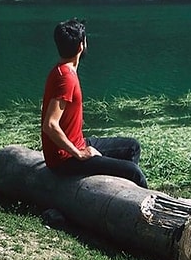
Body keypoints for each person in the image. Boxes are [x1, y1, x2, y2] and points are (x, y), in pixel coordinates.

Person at [41, 18, 148, 188]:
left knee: (132, 147)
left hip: (78, 143)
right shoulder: (65, 78)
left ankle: (119, 192)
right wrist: (79, 154)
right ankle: (141, 206)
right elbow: (50, 125)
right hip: (66, 159)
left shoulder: (61, 71)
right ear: (81, 46)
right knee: (133, 171)